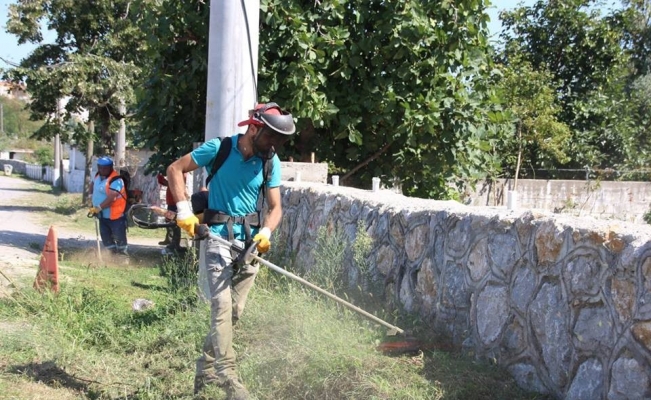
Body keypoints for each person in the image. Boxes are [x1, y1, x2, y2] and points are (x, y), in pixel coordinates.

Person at [166, 102, 295, 400]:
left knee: (233, 313)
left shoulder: (269, 161)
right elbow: (175, 169)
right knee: (221, 307)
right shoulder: (220, 149)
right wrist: (185, 210)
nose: (275, 145)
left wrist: (266, 231)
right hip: (215, 238)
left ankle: (204, 371)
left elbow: (275, 208)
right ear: (254, 128)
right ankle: (230, 379)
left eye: (280, 140)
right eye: (271, 137)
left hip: (248, 245)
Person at [88, 156, 129, 259]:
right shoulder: (97, 176)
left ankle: (123, 260)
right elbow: (92, 184)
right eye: (100, 167)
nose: (102, 170)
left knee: (120, 240)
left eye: (105, 168)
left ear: (111, 167)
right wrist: (90, 197)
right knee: (106, 239)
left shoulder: (116, 180)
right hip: (103, 215)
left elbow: (111, 199)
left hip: (116, 217)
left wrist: (98, 208)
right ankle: (112, 258)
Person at [156, 171, 187, 254]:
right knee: (169, 221)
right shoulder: (173, 179)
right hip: (172, 203)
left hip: (175, 203)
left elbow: (164, 182)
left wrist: (162, 175)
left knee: (174, 223)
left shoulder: (179, 175)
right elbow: (163, 182)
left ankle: (174, 244)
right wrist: (160, 174)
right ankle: (170, 240)